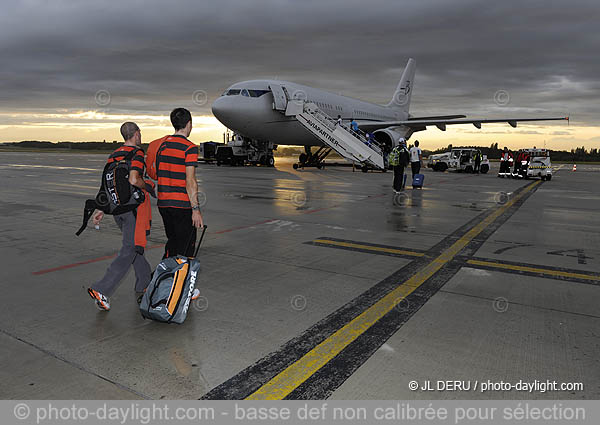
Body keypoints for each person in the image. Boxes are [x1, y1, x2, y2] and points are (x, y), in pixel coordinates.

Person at [87, 122, 154, 311]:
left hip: (117, 210)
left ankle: (144, 283)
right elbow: (134, 179)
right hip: (132, 210)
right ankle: (102, 289)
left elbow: (107, 184)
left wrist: (101, 209)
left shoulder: (114, 154)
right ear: (137, 134)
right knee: (130, 248)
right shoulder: (137, 153)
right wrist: (148, 186)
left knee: (134, 247)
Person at [151, 108, 205, 259]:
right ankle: (175, 281)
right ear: (189, 124)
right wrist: (195, 209)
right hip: (181, 206)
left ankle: (160, 280)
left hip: (164, 204)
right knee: (186, 251)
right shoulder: (189, 147)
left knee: (173, 244)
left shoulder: (162, 146)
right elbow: (190, 181)